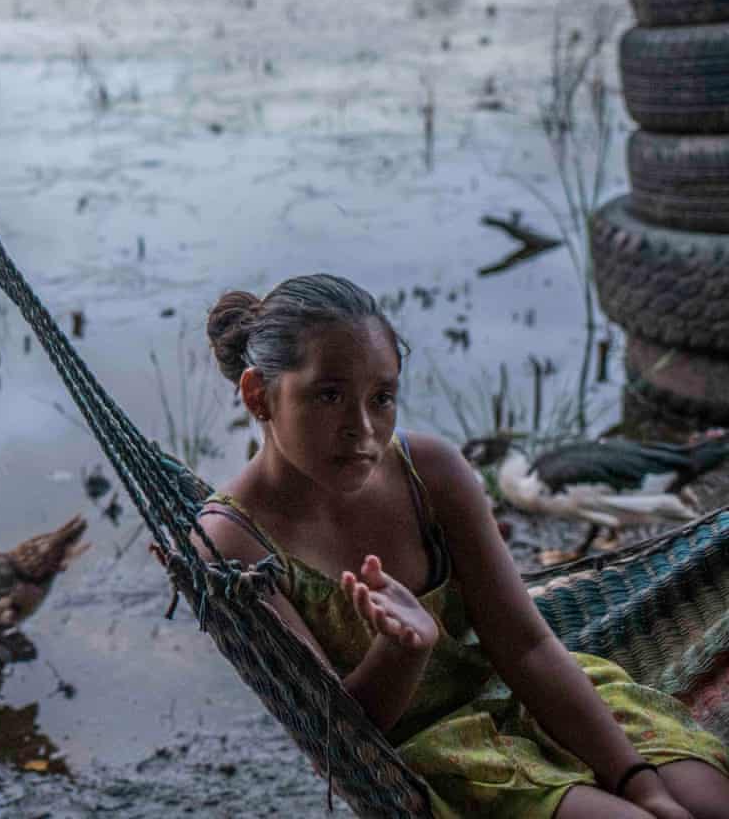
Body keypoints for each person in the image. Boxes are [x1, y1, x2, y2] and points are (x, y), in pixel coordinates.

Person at [196, 274, 729, 819]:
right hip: (445, 759)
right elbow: (337, 743)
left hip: (544, 697)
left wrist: (640, 783)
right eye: (328, 395)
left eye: (381, 398)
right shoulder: (233, 541)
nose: (362, 428)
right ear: (259, 395)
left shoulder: (429, 472)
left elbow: (526, 647)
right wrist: (403, 651)